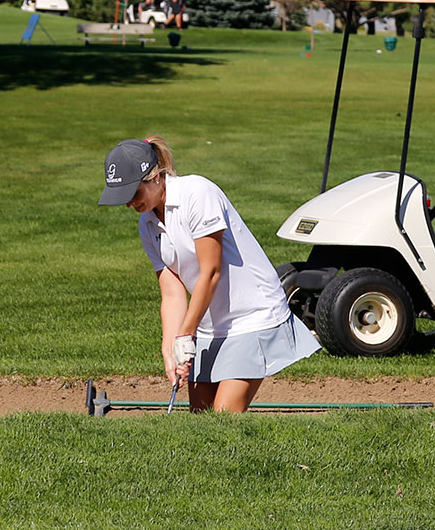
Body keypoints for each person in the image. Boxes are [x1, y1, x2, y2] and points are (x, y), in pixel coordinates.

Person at [98, 137, 320, 412]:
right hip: (209, 324)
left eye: (134, 193)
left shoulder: (198, 193)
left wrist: (185, 335)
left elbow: (211, 272)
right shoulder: (148, 225)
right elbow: (172, 292)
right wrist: (170, 348)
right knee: (199, 416)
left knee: (223, 415)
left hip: (252, 317)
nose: (130, 204)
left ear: (154, 176)